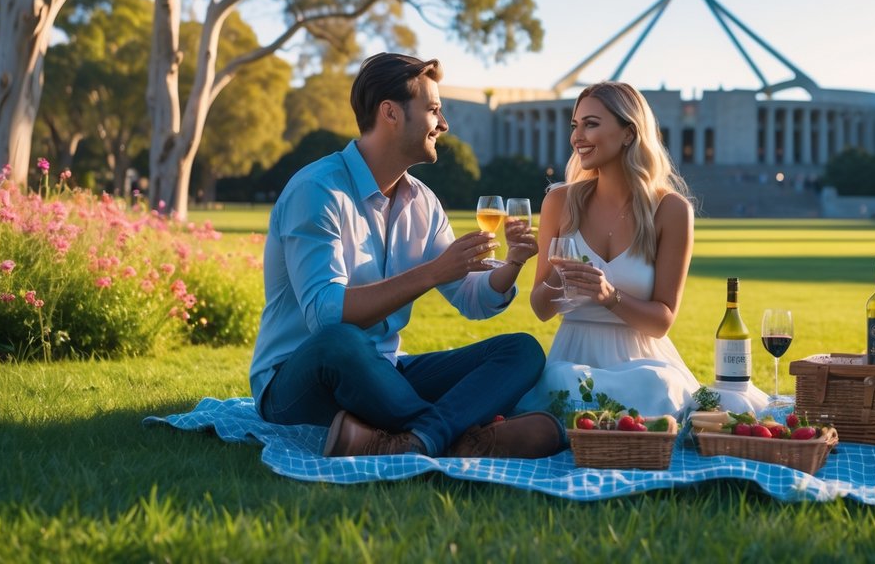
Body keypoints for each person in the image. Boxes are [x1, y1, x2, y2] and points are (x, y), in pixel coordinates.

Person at [249, 53, 563, 459]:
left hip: (386, 373)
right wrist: (431, 273)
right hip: (299, 383)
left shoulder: (423, 203)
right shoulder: (318, 191)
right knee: (342, 341)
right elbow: (326, 315)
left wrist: (513, 265)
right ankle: (463, 433)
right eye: (433, 110)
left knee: (520, 350)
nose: (444, 124)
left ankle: (417, 438)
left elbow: (470, 298)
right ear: (390, 113)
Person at [517, 81, 701, 417]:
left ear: (629, 133)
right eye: (575, 126)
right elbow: (541, 309)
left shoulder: (671, 210)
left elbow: (662, 321)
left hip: (642, 362)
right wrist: (559, 279)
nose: (577, 137)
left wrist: (608, 296)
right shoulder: (559, 201)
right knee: (562, 379)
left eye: (591, 124)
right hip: (573, 358)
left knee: (657, 385)